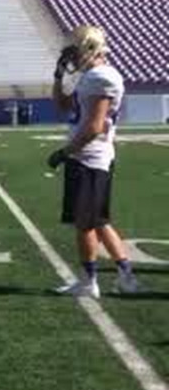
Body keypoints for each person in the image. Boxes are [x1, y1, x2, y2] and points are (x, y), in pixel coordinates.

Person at [47, 25, 139, 298]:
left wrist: (65, 152)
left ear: (87, 48)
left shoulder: (101, 76)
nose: (71, 56)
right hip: (89, 157)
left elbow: (95, 126)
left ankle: (89, 282)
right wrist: (58, 76)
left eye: (74, 51)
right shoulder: (91, 76)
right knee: (99, 220)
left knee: (84, 223)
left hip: (89, 158)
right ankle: (126, 277)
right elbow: (63, 105)